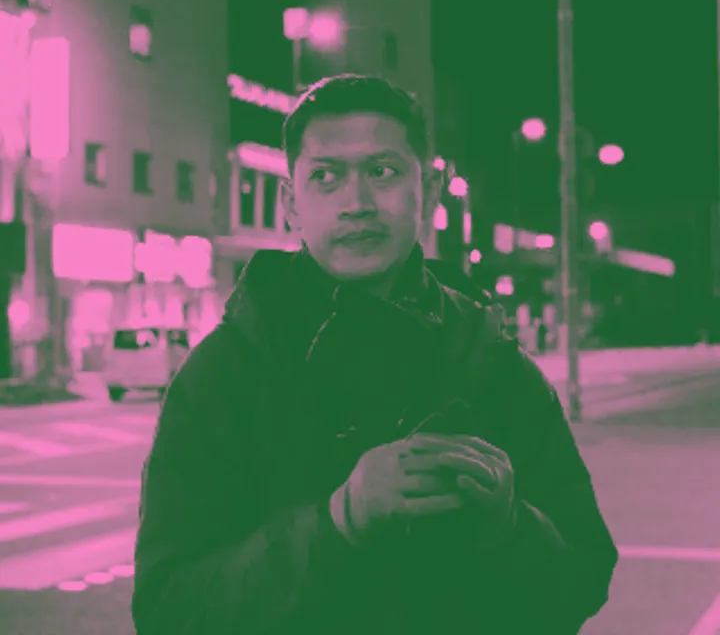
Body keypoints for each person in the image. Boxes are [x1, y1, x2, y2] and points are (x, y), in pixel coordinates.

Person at [132, 74, 618, 635]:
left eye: (383, 172)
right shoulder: (225, 375)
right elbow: (168, 611)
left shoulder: (494, 364)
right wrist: (340, 519)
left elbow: (582, 580)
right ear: (290, 203)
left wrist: (509, 528)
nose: (357, 204)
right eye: (326, 177)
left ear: (429, 192)